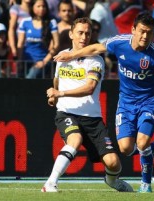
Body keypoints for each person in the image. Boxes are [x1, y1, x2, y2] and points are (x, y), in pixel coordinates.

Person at [54, 12, 154, 193]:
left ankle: (146, 185)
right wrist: (73, 55)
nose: (146, 36)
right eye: (142, 31)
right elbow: (95, 49)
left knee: (142, 142)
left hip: (150, 102)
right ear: (133, 30)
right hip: (126, 103)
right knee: (126, 148)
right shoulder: (119, 42)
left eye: (150, 33)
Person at [42, 17, 133, 193]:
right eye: (80, 33)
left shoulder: (96, 60)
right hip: (67, 112)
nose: (84, 37)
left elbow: (90, 88)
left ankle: (112, 181)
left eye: (88, 33)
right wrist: (54, 95)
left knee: (113, 163)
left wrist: (59, 93)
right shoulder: (62, 56)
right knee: (75, 140)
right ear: (71, 34)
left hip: (92, 119)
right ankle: (50, 183)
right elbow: (56, 81)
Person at [17, 0, 59, 78]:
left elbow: (56, 44)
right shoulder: (25, 22)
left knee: (29, 79)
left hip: (42, 61)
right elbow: (20, 43)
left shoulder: (51, 22)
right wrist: (19, 61)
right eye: (38, 6)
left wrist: (45, 61)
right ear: (32, 7)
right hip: (26, 61)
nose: (42, 9)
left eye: (43, 6)